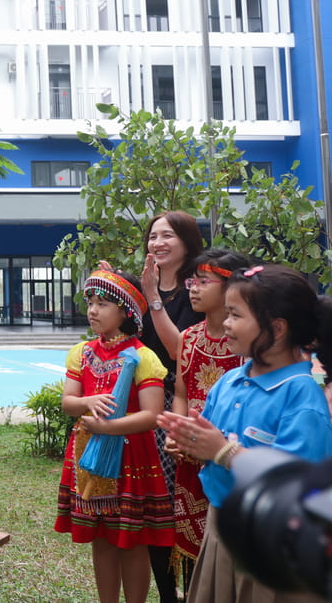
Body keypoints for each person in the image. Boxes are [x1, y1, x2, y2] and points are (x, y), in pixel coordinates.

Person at [159, 264, 332, 603]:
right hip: (222, 528)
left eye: (235, 315)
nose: (226, 323)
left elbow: (297, 485)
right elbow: (210, 441)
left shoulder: (302, 398)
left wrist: (223, 451)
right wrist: (190, 440)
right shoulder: (229, 382)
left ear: (277, 328)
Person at [55, 270, 173, 603]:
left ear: (126, 312)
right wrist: (88, 402)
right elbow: (68, 402)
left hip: (130, 457)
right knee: (102, 539)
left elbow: (152, 415)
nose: (92, 310)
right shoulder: (82, 352)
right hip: (89, 455)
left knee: (132, 541)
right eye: (91, 303)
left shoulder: (144, 356)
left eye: (103, 304)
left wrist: (106, 427)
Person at [107, 210, 204, 603]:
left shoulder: (198, 288)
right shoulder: (144, 282)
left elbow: (182, 351)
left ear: (187, 242)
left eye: (167, 236)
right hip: (142, 402)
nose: (158, 243)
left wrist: (151, 299)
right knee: (152, 507)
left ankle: (193, 590)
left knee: (184, 503)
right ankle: (167, 595)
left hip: (181, 403)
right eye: (153, 236)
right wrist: (115, 289)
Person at [168, 248, 255, 588]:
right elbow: (181, 392)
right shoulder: (188, 338)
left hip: (230, 458)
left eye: (204, 281)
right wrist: (177, 431)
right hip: (189, 461)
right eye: (192, 281)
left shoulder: (247, 345)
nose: (193, 288)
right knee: (195, 565)